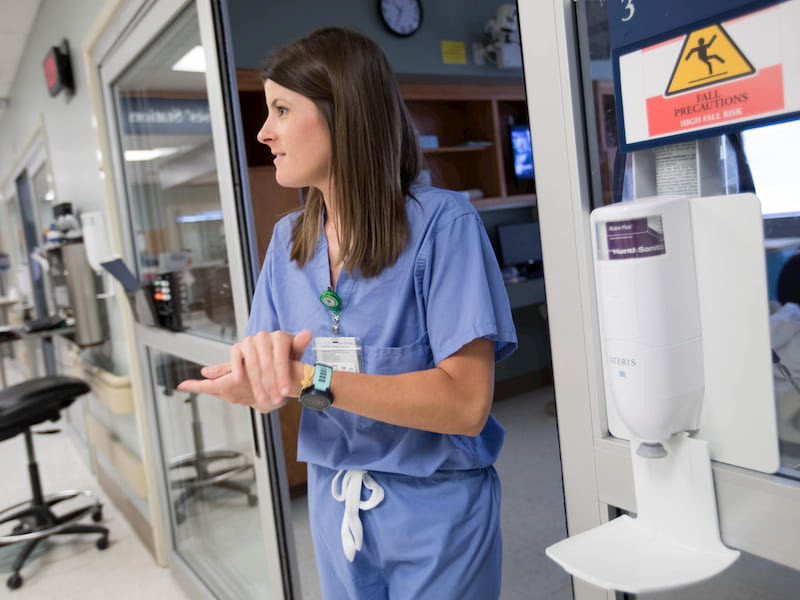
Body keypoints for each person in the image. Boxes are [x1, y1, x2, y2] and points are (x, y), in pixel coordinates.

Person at [178, 27, 517, 600]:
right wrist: (251, 380)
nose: (263, 133)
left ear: (344, 113)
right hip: (335, 501)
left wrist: (313, 380)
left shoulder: (442, 225)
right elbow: (273, 371)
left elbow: (464, 404)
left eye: (282, 109)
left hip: (435, 507)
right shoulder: (289, 241)